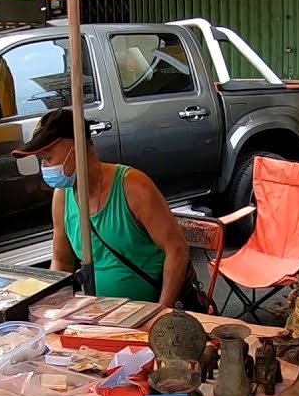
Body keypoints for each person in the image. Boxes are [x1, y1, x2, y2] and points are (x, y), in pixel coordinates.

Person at [14, 107, 190, 308]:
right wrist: (50, 308)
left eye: (49, 156)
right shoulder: (62, 196)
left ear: (79, 147)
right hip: (97, 314)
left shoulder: (134, 186)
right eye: (42, 160)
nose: (45, 166)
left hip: (148, 312)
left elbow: (177, 249)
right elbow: (62, 261)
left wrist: (163, 311)